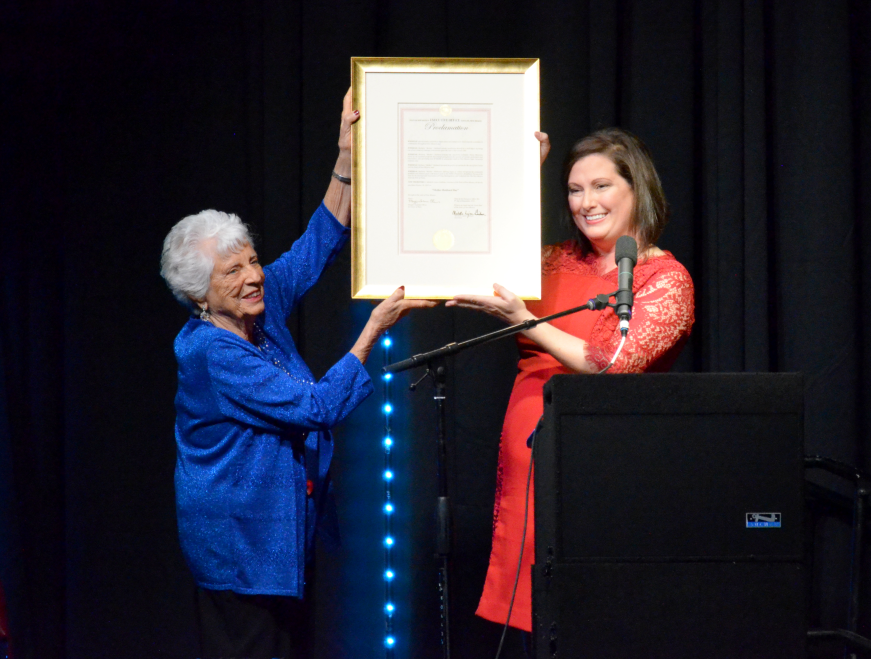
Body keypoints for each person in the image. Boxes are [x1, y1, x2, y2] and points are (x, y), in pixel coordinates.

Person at [160, 91, 435, 659]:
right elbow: (314, 408)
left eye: (253, 260)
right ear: (198, 293)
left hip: (281, 540)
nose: (253, 277)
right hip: (241, 549)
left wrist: (344, 157)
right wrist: (373, 330)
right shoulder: (212, 352)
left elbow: (318, 243)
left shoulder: (258, 310)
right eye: (231, 270)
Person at [447, 128, 695, 636]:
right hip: (529, 456)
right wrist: (522, 175)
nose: (586, 203)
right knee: (530, 623)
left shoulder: (664, 279)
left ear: (636, 189)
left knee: (592, 620)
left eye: (602, 186)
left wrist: (527, 319)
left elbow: (612, 361)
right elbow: (472, 246)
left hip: (604, 464)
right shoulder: (549, 261)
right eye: (575, 190)